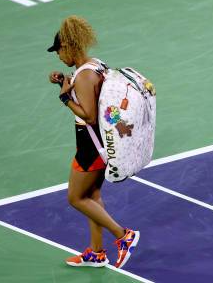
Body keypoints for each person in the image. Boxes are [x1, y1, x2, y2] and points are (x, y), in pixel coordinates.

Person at [47, 15, 140, 268]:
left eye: (59, 52)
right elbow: (91, 95)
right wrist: (65, 82)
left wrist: (66, 99)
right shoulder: (93, 66)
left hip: (90, 145)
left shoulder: (83, 77)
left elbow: (88, 115)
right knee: (93, 194)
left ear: (67, 46)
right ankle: (97, 253)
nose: (58, 56)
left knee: (76, 198)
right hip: (98, 142)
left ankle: (123, 236)